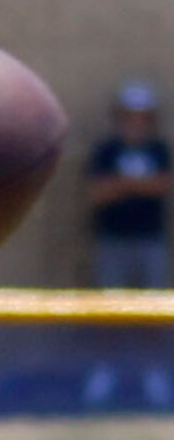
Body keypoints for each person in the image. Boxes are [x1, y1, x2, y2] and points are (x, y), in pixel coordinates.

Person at [86, 81, 170, 292]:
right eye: (130, 116)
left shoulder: (159, 150)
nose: (136, 123)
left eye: (142, 117)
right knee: (112, 304)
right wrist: (139, 184)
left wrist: (122, 184)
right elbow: (97, 193)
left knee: (155, 305)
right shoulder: (107, 151)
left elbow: (164, 185)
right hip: (112, 239)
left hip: (150, 239)